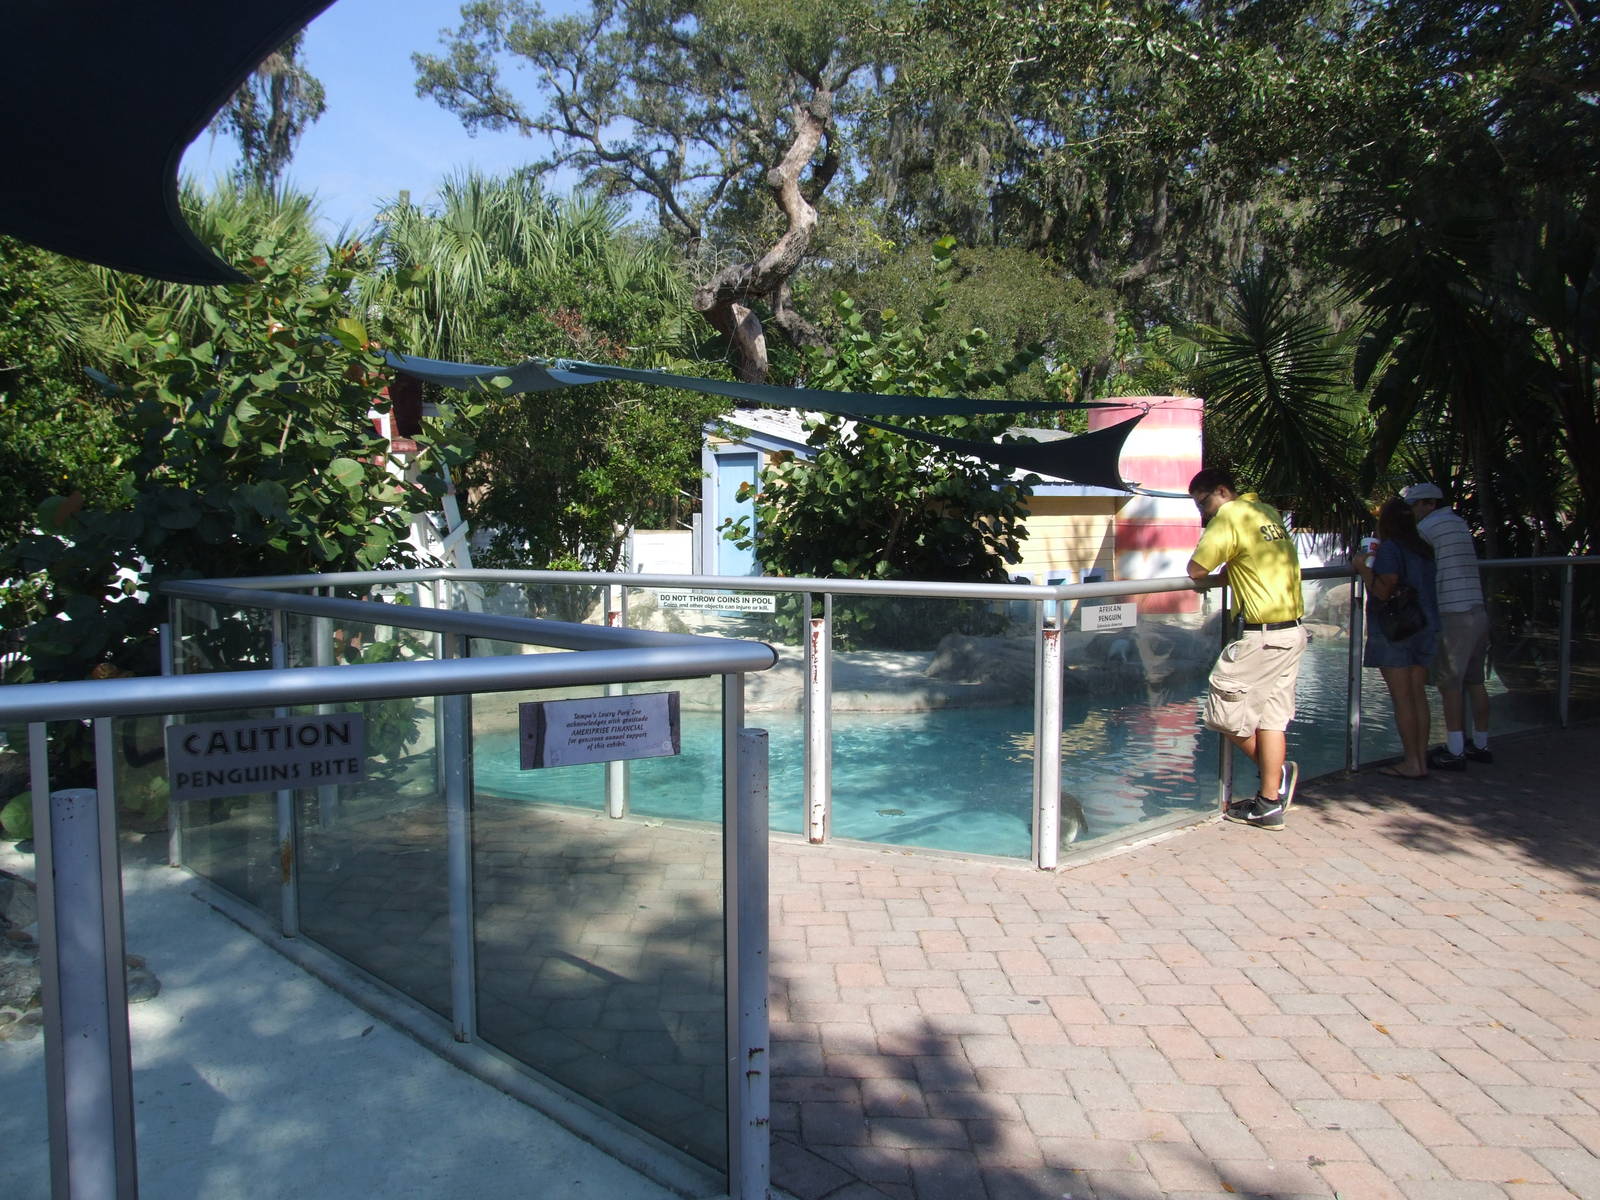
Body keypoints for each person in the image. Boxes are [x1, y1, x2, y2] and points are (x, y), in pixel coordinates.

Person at [1186, 469, 1307, 831]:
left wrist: (1215, 572)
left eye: (1205, 503)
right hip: (1293, 632)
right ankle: (1268, 804)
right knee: (1271, 719)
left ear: (1223, 491)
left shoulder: (1231, 516)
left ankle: (1276, 775)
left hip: (1264, 636)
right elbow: (1249, 560)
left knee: (1222, 712)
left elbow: (1196, 569)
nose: (1205, 513)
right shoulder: (1265, 512)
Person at [1402, 482, 1492, 768]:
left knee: (1449, 682)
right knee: (1475, 680)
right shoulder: (1459, 524)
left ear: (1427, 504)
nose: (1412, 513)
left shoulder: (1428, 529)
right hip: (1477, 608)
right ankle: (1481, 743)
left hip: (1453, 612)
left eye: (1414, 506)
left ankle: (1454, 751)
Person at [1353, 498, 1440, 778]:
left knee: (1402, 698)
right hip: (1423, 625)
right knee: (1418, 695)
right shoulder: (1423, 549)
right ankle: (1421, 760)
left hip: (1396, 630)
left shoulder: (1391, 548)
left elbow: (1384, 588)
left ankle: (1412, 763)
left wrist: (1363, 568)